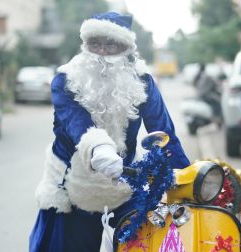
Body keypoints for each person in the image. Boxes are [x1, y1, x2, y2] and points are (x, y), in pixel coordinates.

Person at [29, 12, 190, 252]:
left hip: (122, 182)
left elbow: (163, 132)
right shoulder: (65, 80)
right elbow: (76, 123)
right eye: (94, 43)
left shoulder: (141, 80)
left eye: (110, 44)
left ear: (126, 48)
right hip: (74, 184)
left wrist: (187, 177)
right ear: (85, 45)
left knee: (146, 242)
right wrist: (100, 147)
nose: (101, 52)